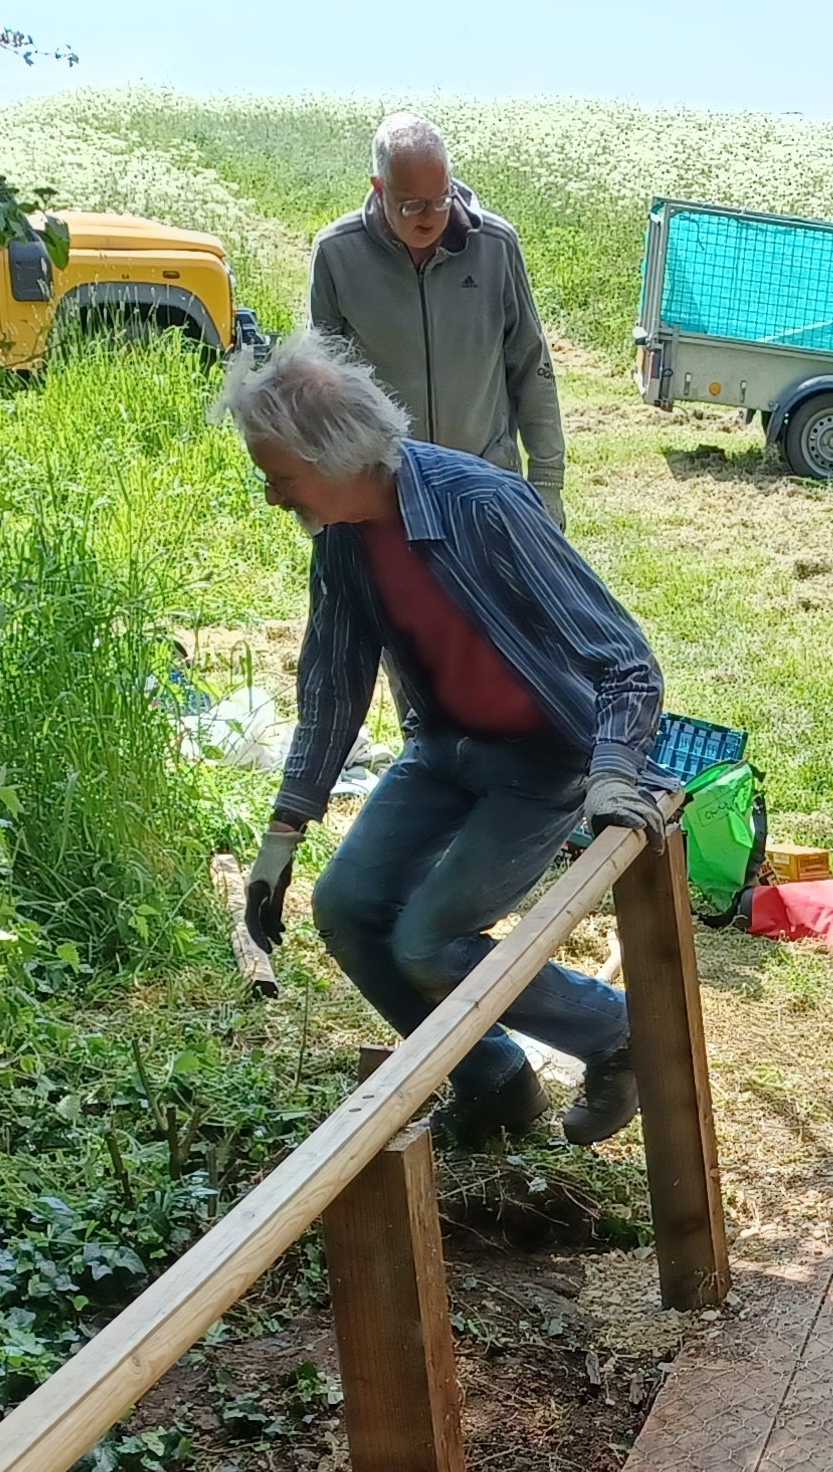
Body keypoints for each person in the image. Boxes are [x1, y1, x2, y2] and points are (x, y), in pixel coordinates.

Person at [229, 329, 667, 1149]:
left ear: (336, 456)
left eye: (280, 479)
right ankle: (495, 1082)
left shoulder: (481, 503)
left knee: (429, 944)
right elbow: (332, 687)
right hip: (444, 749)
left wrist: (613, 774)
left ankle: (618, 1032)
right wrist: (282, 835)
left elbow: (625, 661)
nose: (273, 498)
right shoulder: (345, 542)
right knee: (346, 909)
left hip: (542, 759)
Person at [305, 113, 569, 511]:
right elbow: (320, 384)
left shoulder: (496, 246)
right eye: (411, 205)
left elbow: (531, 365)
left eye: (441, 199)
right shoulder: (336, 254)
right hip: (384, 491)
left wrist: (547, 482)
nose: (430, 217)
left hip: (485, 481)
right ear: (379, 188)